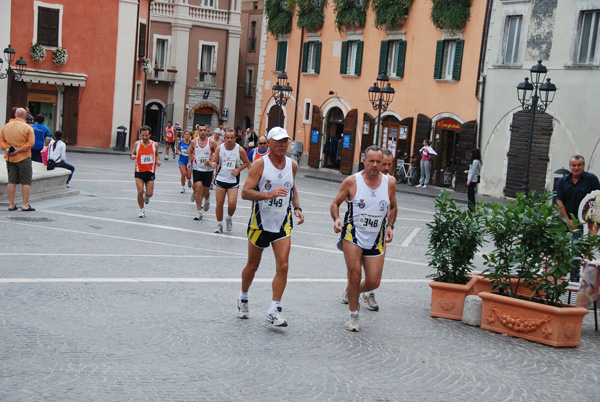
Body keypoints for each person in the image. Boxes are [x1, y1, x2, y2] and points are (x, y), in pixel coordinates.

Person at [237, 126, 305, 327]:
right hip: (260, 223)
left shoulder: (292, 165)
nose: (284, 145)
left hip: (282, 223)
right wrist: (268, 194)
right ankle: (243, 297)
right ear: (270, 143)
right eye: (279, 141)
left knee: (283, 265)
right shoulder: (260, 164)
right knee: (253, 266)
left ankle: (274, 309)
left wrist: (297, 207)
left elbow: (291, 188)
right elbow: (245, 192)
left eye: (286, 141)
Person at [331, 145, 397, 332]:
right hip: (353, 234)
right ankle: (353, 316)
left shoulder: (389, 183)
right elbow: (335, 203)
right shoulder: (352, 182)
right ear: (364, 161)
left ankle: (352, 290)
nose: (375, 165)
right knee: (355, 274)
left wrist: (390, 225)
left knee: (374, 281)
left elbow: (393, 207)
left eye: (379, 162)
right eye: (372, 161)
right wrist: (336, 219)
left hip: (377, 236)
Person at [211, 128, 250, 232]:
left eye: (232, 138)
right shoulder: (220, 148)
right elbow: (214, 161)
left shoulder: (240, 150)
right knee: (219, 202)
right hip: (220, 179)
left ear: (235, 138)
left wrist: (238, 169)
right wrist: (212, 164)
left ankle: (229, 217)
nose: (229, 140)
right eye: (227, 137)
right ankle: (219, 224)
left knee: (232, 203)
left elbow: (247, 162)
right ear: (224, 138)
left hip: (233, 180)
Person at [0, 107, 36, 211]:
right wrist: (19, 150)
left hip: (10, 157)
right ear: (25, 116)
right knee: (26, 182)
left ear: (15, 115)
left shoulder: (6, 127)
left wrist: (7, 149)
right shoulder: (28, 128)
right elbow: (31, 143)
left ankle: (11, 204)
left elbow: (1, 141)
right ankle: (25, 205)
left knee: (11, 181)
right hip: (24, 157)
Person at [557, 155, 600, 231]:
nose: (576, 168)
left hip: (585, 224)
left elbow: (597, 200)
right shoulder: (562, 181)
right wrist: (568, 221)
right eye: (574, 165)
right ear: (570, 166)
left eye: (579, 165)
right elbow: (559, 201)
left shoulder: (592, 179)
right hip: (566, 224)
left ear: (583, 165)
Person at [187, 124, 218, 220]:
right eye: (201, 130)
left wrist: (212, 160)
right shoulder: (194, 142)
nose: (203, 132)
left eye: (205, 130)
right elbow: (190, 151)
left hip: (208, 170)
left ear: (207, 131)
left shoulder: (211, 142)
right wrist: (189, 162)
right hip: (197, 168)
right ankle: (199, 211)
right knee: (198, 188)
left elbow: (217, 154)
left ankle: (207, 199)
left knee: (205, 191)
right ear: (197, 131)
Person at [131, 126, 161, 218]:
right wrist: (132, 156)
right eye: (143, 135)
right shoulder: (137, 144)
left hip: (150, 171)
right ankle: (142, 210)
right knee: (140, 191)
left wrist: (157, 161)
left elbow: (156, 155)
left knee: (149, 193)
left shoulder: (154, 145)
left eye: (146, 136)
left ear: (150, 135)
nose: (144, 137)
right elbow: (133, 153)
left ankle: (147, 197)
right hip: (139, 171)